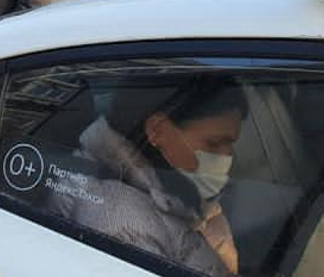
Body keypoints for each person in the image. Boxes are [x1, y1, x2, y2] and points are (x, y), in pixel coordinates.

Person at [51, 74, 247, 277]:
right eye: (214, 143)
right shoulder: (121, 220)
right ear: (156, 130)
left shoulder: (179, 191)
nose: (228, 157)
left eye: (231, 145)